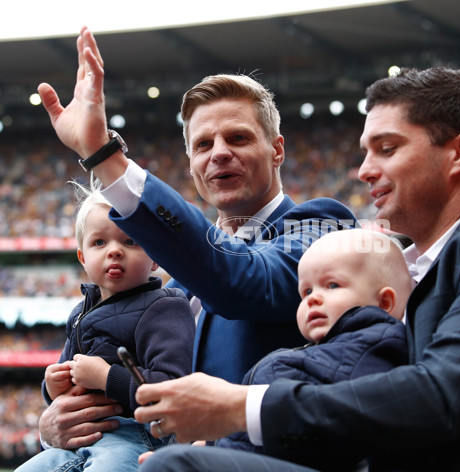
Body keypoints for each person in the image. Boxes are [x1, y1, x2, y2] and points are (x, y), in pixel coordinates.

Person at [133, 67, 460, 472]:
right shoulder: (398, 271)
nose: (363, 171)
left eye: (387, 148)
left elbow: (439, 397)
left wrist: (243, 407)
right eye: (365, 151)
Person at [36, 26, 357, 450]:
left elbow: (240, 279)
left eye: (238, 137)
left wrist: (105, 158)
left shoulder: (321, 226)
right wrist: (57, 420)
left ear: (277, 149)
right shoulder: (173, 284)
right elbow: (131, 379)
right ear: (191, 164)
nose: (218, 152)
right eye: (202, 144)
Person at [15, 181, 195, 472]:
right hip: (83, 437)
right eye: (100, 242)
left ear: (154, 259)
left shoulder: (164, 306)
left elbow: (171, 386)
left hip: (137, 436)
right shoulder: (80, 313)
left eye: (130, 241)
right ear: (83, 258)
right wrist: (51, 387)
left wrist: (107, 376)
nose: (114, 251)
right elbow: (65, 382)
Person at [210, 228, 410, 470]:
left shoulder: (376, 349)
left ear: (384, 302)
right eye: (306, 291)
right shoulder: (329, 351)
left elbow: (346, 428)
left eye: (332, 285)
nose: (313, 298)